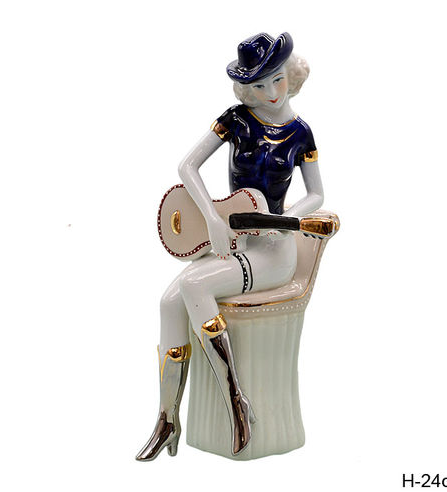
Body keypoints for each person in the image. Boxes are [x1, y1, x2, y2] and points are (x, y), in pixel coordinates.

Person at [136, 32, 324, 461]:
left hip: (272, 251)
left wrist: (283, 224)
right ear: (245, 88)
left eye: (276, 79)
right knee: (169, 302)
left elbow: (316, 194)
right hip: (232, 240)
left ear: (291, 75)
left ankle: (236, 399)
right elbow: (187, 166)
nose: (270, 92)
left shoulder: (301, 133)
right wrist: (212, 219)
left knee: (195, 286)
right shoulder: (236, 120)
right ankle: (167, 419)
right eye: (258, 85)